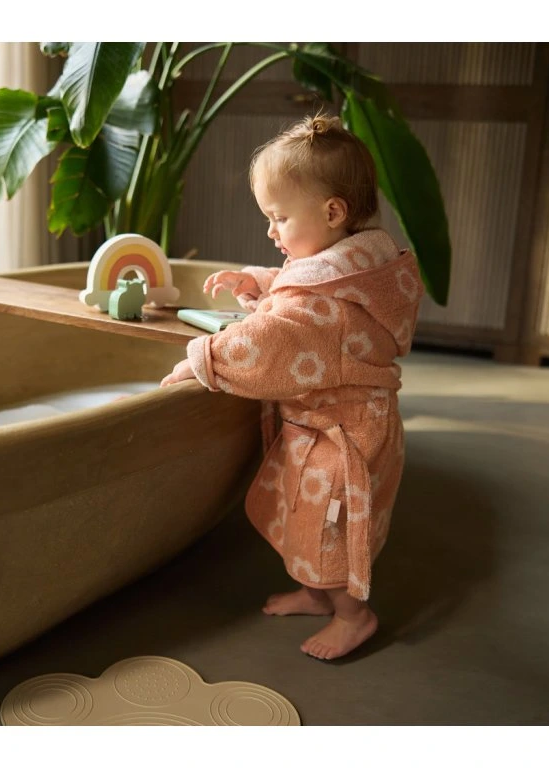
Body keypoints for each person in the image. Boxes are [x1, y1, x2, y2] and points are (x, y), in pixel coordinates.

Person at [160, 113, 424, 660]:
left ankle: (354, 616)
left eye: (279, 218)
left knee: (331, 531)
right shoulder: (359, 267)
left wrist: (202, 358)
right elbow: (301, 286)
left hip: (345, 440)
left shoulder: (324, 307)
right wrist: (258, 281)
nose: (271, 231)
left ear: (333, 213)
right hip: (337, 427)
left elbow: (272, 340)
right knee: (308, 524)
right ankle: (316, 594)